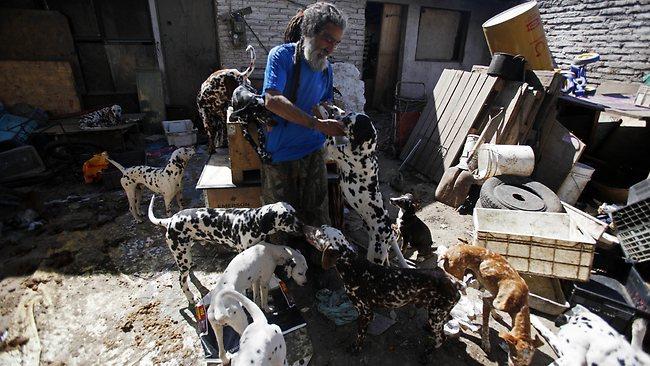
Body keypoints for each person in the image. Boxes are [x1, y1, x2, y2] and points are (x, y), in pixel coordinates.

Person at [262, 2, 347, 229]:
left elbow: (324, 101)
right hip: (281, 154)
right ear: (309, 31)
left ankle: (318, 264)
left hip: (313, 151)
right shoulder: (282, 56)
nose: (331, 48)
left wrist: (336, 115)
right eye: (328, 39)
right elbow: (271, 100)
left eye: (336, 43)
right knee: (280, 226)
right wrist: (317, 124)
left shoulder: (325, 68)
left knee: (319, 221)